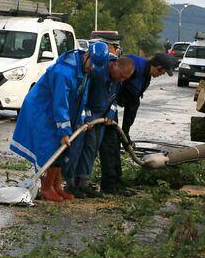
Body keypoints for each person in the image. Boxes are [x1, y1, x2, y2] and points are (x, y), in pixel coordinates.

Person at [10, 42, 109, 202]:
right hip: (42, 110)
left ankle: (56, 186)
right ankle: (46, 188)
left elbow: (81, 97)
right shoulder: (63, 72)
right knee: (50, 147)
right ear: (86, 55)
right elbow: (60, 103)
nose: (91, 69)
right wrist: (64, 131)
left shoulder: (85, 70)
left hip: (56, 110)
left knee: (62, 150)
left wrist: (79, 120)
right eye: (91, 65)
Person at [66, 33, 135, 198]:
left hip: (102, 117)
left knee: (93, 148)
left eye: (125, 78)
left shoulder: (118, 80)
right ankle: (71, 183)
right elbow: (83, 97)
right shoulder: (97, 70)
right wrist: (86, 117)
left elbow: (114, 99)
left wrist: (111, 112)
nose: (122, 80)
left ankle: (84, 182)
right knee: (80, 147)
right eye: (122, 76)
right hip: (88, 115)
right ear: (115, 66)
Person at [99, 52, 176, 194]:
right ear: (158, 68)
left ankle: (117, 179)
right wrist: (110, 112)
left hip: (112, 106)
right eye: (163, 72)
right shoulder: (135, 68)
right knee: (109, 144)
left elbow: (133, 103)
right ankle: (109, 184)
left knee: (115, 141)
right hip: (106, 104)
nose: (161, 75)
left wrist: (125, 132)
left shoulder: (146, 74)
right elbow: (116, 89)